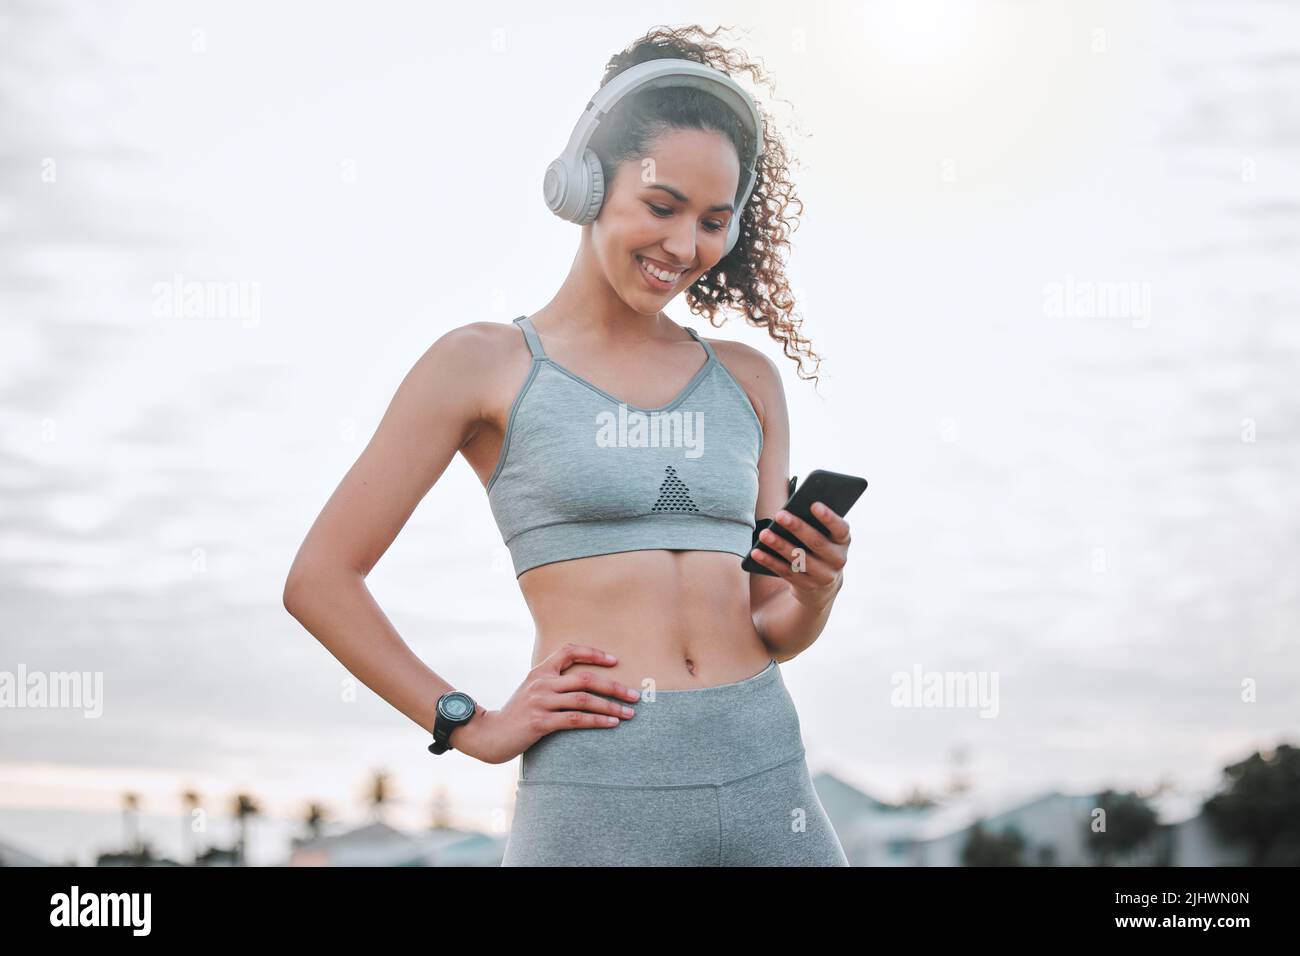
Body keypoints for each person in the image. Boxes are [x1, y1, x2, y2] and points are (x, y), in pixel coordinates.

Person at [283, 25, 853, 866]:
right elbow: (320, 581)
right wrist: (467, 723)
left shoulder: (750, 381)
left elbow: (769, 621)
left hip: (770, 774)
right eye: (660, 208)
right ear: (586, 184)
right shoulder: (481, 365)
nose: (685, 247)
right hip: (598, 793)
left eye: (712, 221)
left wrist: (815, 593)